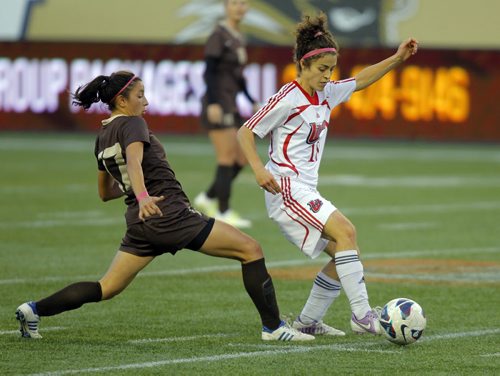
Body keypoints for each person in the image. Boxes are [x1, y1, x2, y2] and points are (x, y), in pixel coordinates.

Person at [15, 71, 314, 342]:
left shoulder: (102, 136)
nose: (146, 101)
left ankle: (33, 310)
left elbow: (105, 193)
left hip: (140, 223)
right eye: (140, 95)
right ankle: (274, 328)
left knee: (106, 287)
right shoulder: (132, 123)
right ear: (121, 100)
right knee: (251, 250)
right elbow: (133, 161)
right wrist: (145, 196)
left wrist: (138, 194)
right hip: (167, 214)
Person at [237, 13, 419, 336]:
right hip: (286, 189)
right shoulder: (287, 98)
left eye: (331, 70)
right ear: (304, 66)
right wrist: (257, 169)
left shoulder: (325, 94)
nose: (327, 76)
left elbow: (361, 80)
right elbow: (245, 132)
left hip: (306, 189)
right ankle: (363, 316)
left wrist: (398, 57)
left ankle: (308, 321)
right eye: (322, 69)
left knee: (346, 252)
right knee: (346, 231)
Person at [194, 0, 257, 229]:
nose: (240, 7)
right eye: (234, 3)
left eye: (243, 3)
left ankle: (208, 197)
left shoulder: (238, 36)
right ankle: (222, 211)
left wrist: (252, 100)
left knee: (241, 158)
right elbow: (209, 72)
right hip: (218, 103)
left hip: (231, 103)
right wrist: (213, 102)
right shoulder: (219, 34)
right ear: (225, 7)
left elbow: (238, 77)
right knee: (227, 157)